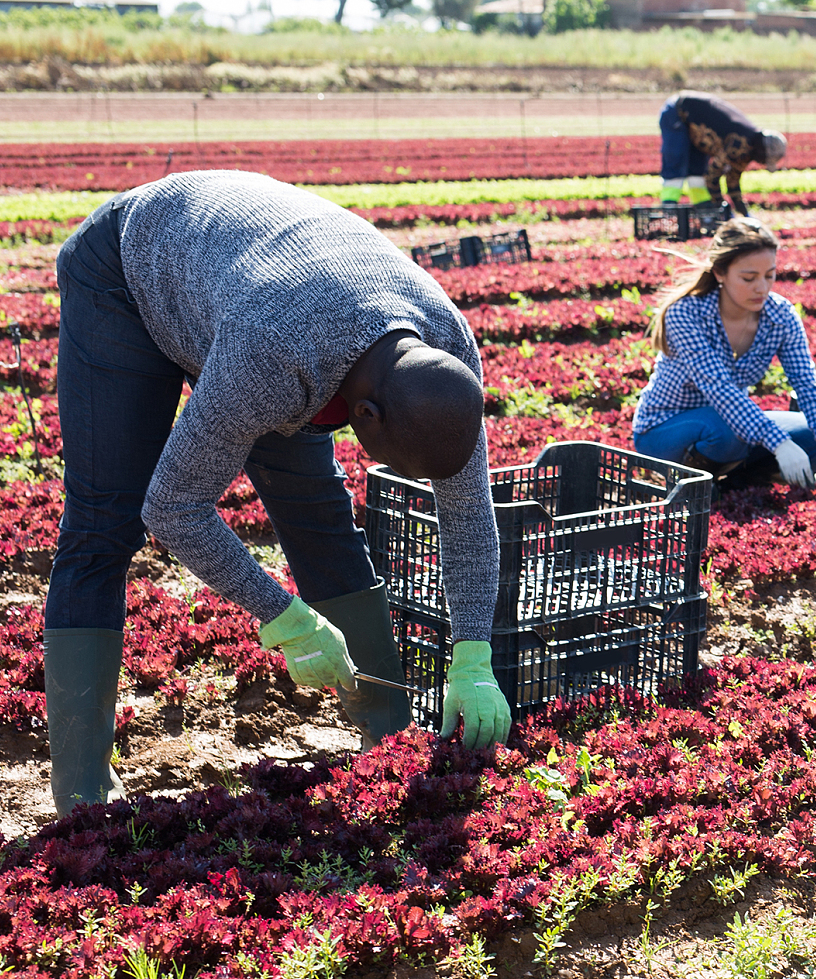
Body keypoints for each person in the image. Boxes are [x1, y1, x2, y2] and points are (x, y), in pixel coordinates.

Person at [48, 170, 513, 813]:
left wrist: (474, 656)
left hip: (258, 290)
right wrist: (284, 617)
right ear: (367, 414)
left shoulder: (444, 351)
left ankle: (390, 734)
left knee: (316, 510)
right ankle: (82, 787)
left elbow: (468, 515)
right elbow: (174, 507)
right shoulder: (271, 360)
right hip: (131, 274)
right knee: (106, 520)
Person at [631, 218, 816, 501]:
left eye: (770, 275)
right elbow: (719, 390)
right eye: (748, 277)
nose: (762, 288)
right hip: (665, 429)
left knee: (811, 436)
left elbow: (808, 385)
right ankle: (689, 484)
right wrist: (779, 443)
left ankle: (734, 485)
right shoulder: (686, 314)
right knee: (731, 429)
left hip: (733, 425)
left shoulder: (779, 315)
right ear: (720, 273)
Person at [657, 91, 787, 218]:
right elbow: (713, 174)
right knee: (676, 158)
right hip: (677, 112)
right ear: (762, 152)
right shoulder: (739, 143)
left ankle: (704, 210)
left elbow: (732, 179)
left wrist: (743, 212)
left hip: (696, 129)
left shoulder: (748, 147)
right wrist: (722, 208)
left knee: (697, 169)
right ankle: (669, 207)